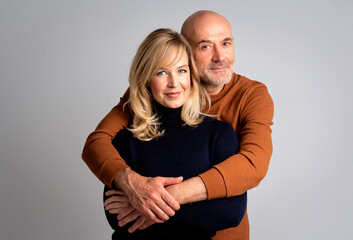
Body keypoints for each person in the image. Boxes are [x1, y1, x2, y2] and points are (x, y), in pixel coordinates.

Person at [82, 10, 274, 240]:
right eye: (205, 46)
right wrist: (132, 183)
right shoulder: (151, 96)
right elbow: (96, 143)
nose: (219, 56)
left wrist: (155, 199)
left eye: (226, 43)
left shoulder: (251, 96)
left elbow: (253, 164)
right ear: (186, 52)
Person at [102, 28, 247, 239]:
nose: (174, 83)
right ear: (146, 79)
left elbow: (231, 213)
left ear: (191, 75)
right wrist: (196, 207)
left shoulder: (218, 134)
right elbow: (115, 216)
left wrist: (148, 204)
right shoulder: (126, 137)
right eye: (161, 72)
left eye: (181, 71)